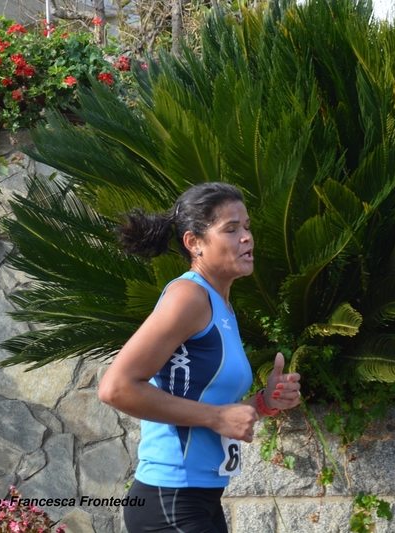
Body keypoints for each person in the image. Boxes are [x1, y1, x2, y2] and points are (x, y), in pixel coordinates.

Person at [98, 182, 302, 533]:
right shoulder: (188, 296)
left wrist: (266, 402)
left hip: (201, 499)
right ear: (194, 243)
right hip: (169, 500)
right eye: (231, 229)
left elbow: (208, 403)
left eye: (247, 226)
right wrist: (215, 416)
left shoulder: (220, 305)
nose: (247, 237)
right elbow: (116, 388)